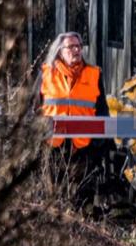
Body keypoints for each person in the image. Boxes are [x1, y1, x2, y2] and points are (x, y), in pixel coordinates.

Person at [40, 32, 108, 208]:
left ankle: (81, 232)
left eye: (79, 46)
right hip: (54, 146)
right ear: (60, 51)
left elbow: (102, 112)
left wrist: (97, 145)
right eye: (71, 47)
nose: (77, 50)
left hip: (84, 147)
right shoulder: (46, 74)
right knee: (53, 198)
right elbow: (34, 109)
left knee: (83, 199)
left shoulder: (94, 74)